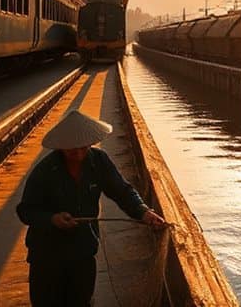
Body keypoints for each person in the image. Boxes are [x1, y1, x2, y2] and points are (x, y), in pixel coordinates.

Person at [17, 109, 165, 306]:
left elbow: (121, 191)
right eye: (71, 149)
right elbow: (26, 210)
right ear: (61, 146)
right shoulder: (45, 171)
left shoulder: (99, 161)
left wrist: (143, 211)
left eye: (83, 147)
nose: (78, 153)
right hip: (47, 255)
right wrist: (52, 219)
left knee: (82, 301)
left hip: (82, 250)